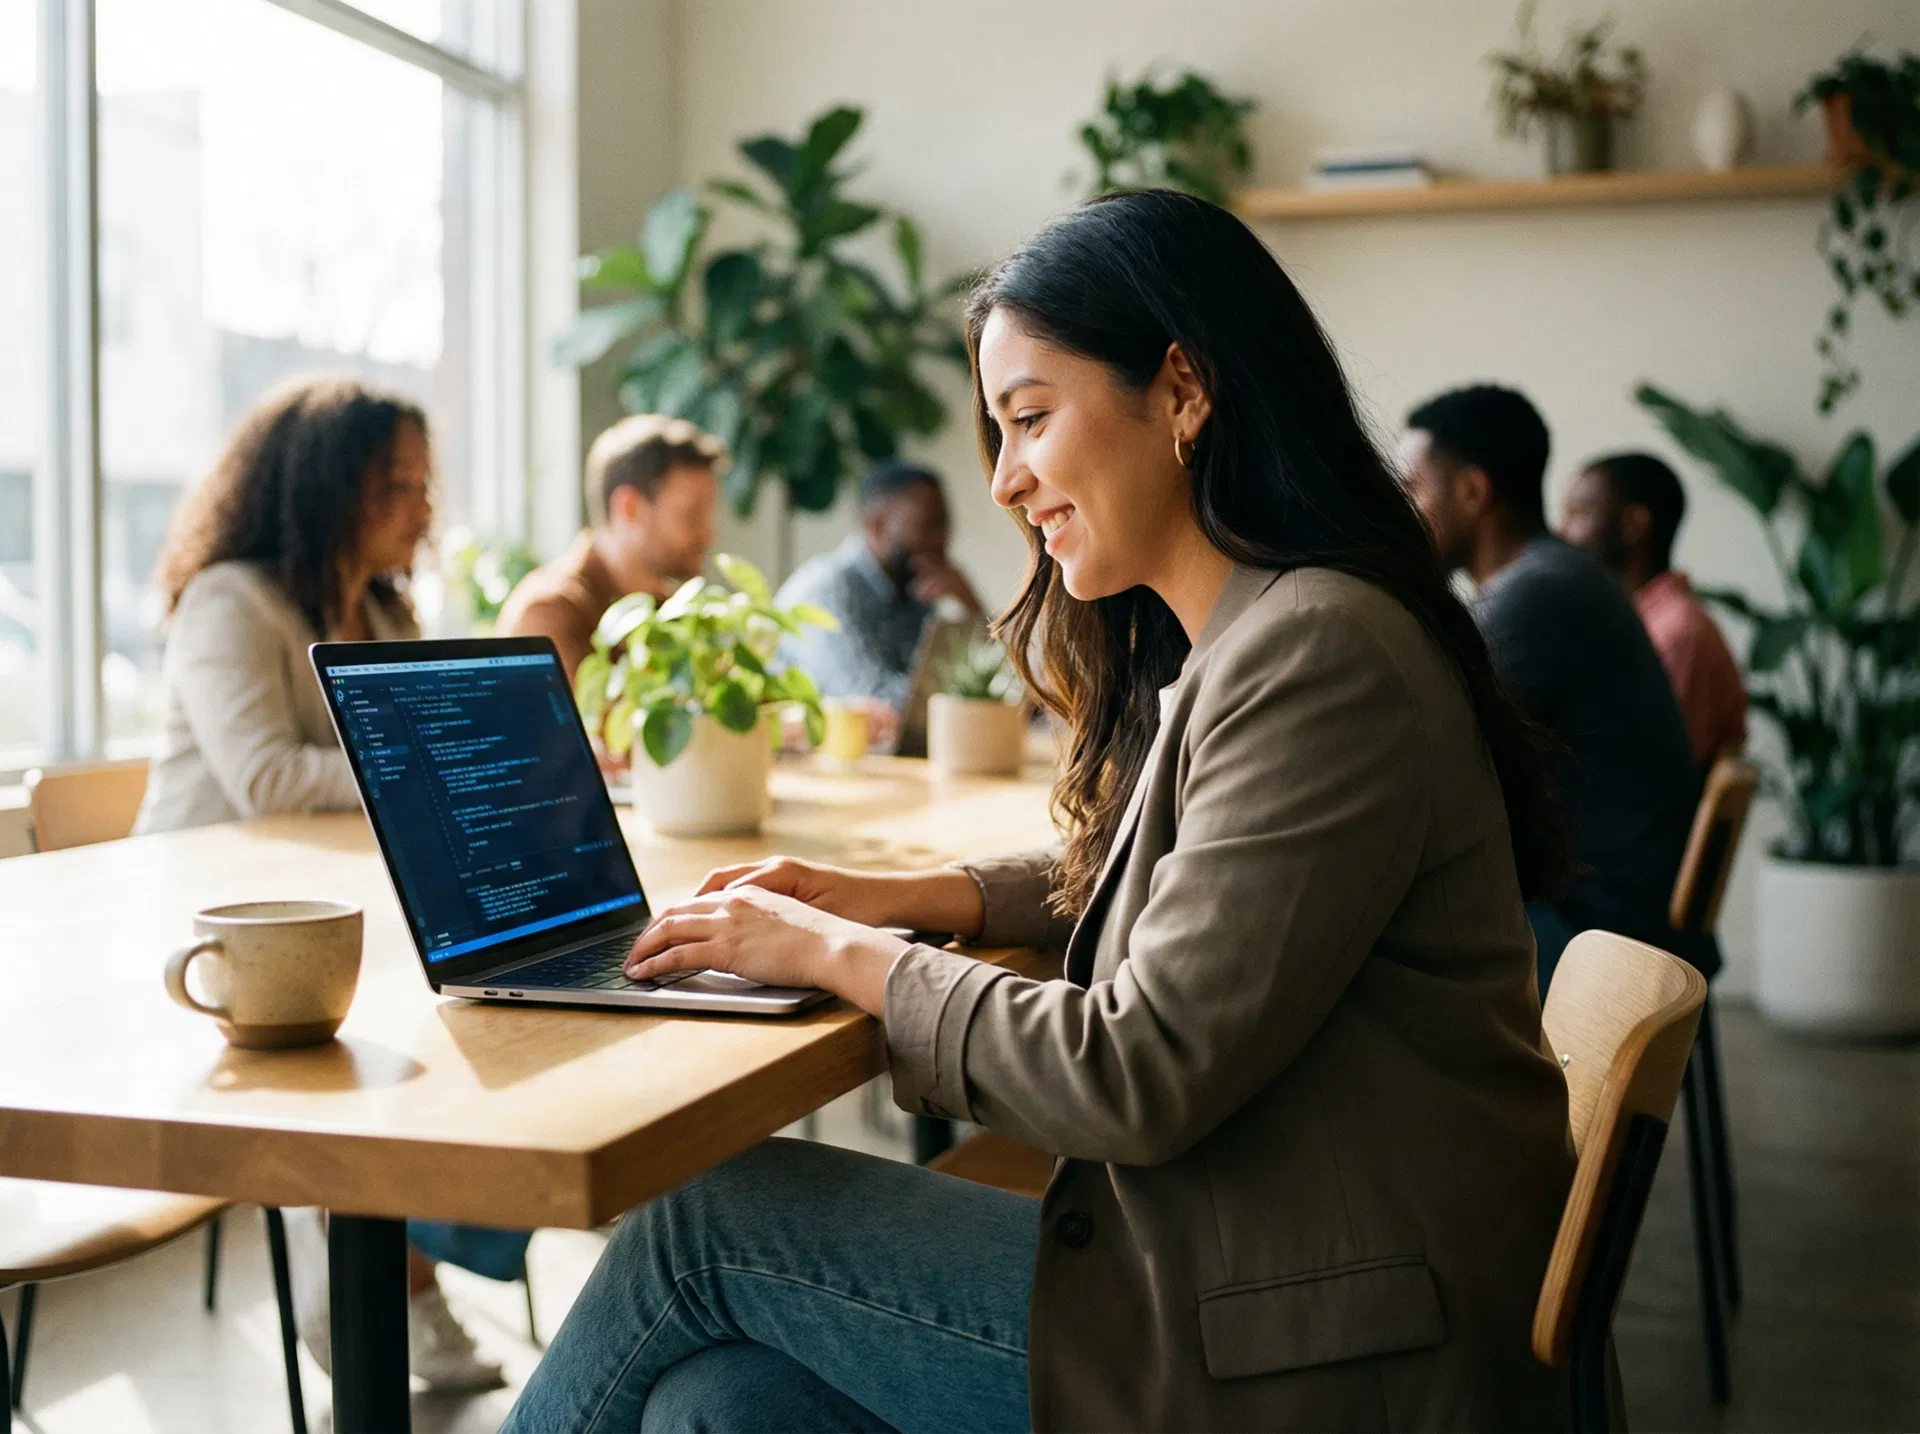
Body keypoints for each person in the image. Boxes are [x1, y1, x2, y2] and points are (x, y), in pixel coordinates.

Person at [503, 192, 1578, 1433]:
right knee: (722, 1404)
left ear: (1182, 392)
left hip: (1317, 1348)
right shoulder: (1274, 628)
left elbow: (1136, 1069)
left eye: (1029, 419)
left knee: (702, 1225)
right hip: (1286, 1267)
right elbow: (1177, 876)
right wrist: (906, 897)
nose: (1006, 481)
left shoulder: (1317, 653)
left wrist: (836, 954)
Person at [133, 375, 524, 1392]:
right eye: (397, 484)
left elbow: (410, 758)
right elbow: (265, 777)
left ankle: (423, 1250)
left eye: (425, 483)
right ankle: (387, 1283)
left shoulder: (386, 611)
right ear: (324, 487)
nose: (423, 508)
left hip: (333, 905)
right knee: (393, 1027)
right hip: (206, 929)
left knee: (479, 999)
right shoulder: (229, 602)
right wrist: (418, 762)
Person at [1401, 385, 1700, 986]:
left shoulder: (1535, 597)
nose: (1402, 509)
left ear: (1473, 491)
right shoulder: (1566, 575)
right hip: (1617, 908)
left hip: (1599, 931)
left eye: (1413, 488)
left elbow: (1424, 761)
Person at [498, 414, 723, 679]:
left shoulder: (672, 610)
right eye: (691, 515)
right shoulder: (549, 613)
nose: (709, 535)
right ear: (630, 507)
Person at [1560, 451, 1748, 766]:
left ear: (1633, 524)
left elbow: (1643, 766)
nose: (1562, 533)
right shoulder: (1634, 623)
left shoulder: (1675, 634)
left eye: (1577, 514)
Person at [773, 459, 985, 714]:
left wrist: (971, 606)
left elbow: (999, 682)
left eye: (944, 524)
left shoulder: (912, 588)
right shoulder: (827, 590)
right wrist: (956, 696)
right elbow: (873, 703)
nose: (941, 538)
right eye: (929, 524)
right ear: (876, 525)